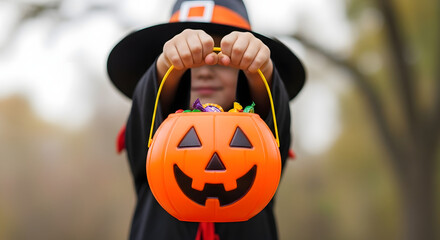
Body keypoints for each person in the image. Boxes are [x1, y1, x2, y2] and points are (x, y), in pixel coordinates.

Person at [107, 0, 306, 239]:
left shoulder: (264, 138)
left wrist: (260, 70)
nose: (205, 69)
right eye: (190, 61)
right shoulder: (153, 138)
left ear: (243, 75)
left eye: (223, 58)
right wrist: (167, 64)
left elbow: (276, 125)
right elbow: (146, 110)